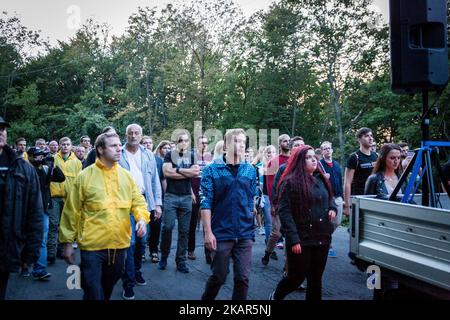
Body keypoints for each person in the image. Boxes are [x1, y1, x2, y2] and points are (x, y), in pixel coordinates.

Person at [59, 132, 150, 300]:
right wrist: (67, 243)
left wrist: (142, 219)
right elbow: (71, 211)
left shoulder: (126, 176)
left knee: (107, 289)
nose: (119, 149)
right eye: (113, 146)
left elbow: (138, 202)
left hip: (119, 245)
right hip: (92, 247)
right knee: (93, 291)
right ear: (100, 149)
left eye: (119, 145)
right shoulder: (84, 176)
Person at [270, 145, 336, 301]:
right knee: (296, 278)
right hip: (301, 239)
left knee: (315, 279)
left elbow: (330, 197)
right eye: (308, 157)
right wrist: (293, 238)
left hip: (322, 236)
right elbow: (284, 212)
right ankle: (276, 297)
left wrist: (332, 207)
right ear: (299, 161)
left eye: (314, 157)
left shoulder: (321, 179)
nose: (313, 159)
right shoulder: (290, 182)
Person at [200, 129, 257, 300]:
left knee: (243, 278)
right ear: (226, 145)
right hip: (222, 232)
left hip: (244, 232)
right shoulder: (212, 170)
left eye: (243, 142)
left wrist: (250, 212)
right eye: (237, 141)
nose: (241, 145)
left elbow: (250, 196)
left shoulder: (250, 170)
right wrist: (208, 232)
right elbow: (206, 202)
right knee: (219, 276)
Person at [0, 117, 44, 299]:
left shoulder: (23, 168)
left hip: (6, 246)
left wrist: (31, 251)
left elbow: (35, 212)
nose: (1, 132)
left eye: (3, 129)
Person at [119, 124, 162, 300]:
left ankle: (136, 271)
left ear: (141, 135)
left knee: (141, 241)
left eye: (137, 133)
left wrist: (157, 204)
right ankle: (128, 284)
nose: (133, 136)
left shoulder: (148, 154)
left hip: (144, 202)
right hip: (124, 204)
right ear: (126, 135)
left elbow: (155, 181)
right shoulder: (119, 153)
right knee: (129, 244)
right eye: (130, 133)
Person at [159, 132, 200, 273]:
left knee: (184, 231)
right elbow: (167, 173)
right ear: (176, 142)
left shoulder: (192, 155)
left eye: (186, 140)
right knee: (168, 227)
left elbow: (195, 172)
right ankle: (164, 256)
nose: (183, 143)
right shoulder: (169, 154)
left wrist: (177, 169)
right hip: (171, 196)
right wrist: (186, 172)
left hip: (186, 197)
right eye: (180, 140)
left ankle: (180, 261)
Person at [261, 136, 304, 265]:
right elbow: (270, 186)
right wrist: (273, 205)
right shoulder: (276, 162)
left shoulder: (306, 163)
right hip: (281, 203)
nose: (299, 147)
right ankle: (268, 252)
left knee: (292, 235)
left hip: (298, 206)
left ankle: (288, 268)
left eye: (302, 145)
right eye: (284, 141)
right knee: (277, 232)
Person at [27, 146, 65, 280]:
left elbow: (61, 178)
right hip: (27, 209)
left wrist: (53, 166)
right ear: (30, 156)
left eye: (42, 155)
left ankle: (39, 270)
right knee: (25, 238)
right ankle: (25, 265)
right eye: (37, 155)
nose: (41, 157)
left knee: (41, 239)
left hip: (43, 208)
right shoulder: (26, 169)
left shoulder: (45, 168)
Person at [48, 137, 82, 263]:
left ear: (71, 146)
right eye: (63, 144)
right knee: (53, 224)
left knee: (66, 224)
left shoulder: (77, 162)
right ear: (59, 145)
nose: (65, 146)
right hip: (54, 196)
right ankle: (51, 253)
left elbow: (79, 182)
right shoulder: (52, 159)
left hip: (70, 198)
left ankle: (61, 251)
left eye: (68, 144)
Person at [344, 127, 378, 217]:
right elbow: (347, 183)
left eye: (371, 135)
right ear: (359, 139)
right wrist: (347, 206)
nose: (370, 138)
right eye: (366, 136)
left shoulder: (376, 156)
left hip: (374, 198)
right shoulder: (355, 157)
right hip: (358, 198)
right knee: (357, 228)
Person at [188, 135, 212, 260]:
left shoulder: (210, 157)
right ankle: (190, 250)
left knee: (207, 224)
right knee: (192, 223)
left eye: (206, 142)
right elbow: (188, 176)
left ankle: (208, 253)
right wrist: (191, 192)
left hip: (206, 192)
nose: (205, 144)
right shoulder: (192, 156)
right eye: (202, 142)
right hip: (194, 191)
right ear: (197, 144)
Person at [319, 141, 343, 258]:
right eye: (325, 149)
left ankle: (324, 236)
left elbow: (340, 181)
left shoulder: (337, 165)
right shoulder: (319, 165)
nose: (328, 150)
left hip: (337, 197)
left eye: (329, 148)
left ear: (332, 150)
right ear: (322, 151)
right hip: (326, 197)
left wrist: (342, 197)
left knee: (337, 222)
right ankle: (328, 244)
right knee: (327, 220)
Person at [148, 140, 171, 263]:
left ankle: (154, 250)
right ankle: (140, 252)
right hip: (141, 198)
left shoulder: (158, 161)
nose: (147, 145)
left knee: (156, 225)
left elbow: (162, 179)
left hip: (157, 198)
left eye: (149, 143)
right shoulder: (137, 160)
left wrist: (166, 195)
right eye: (145, 143)